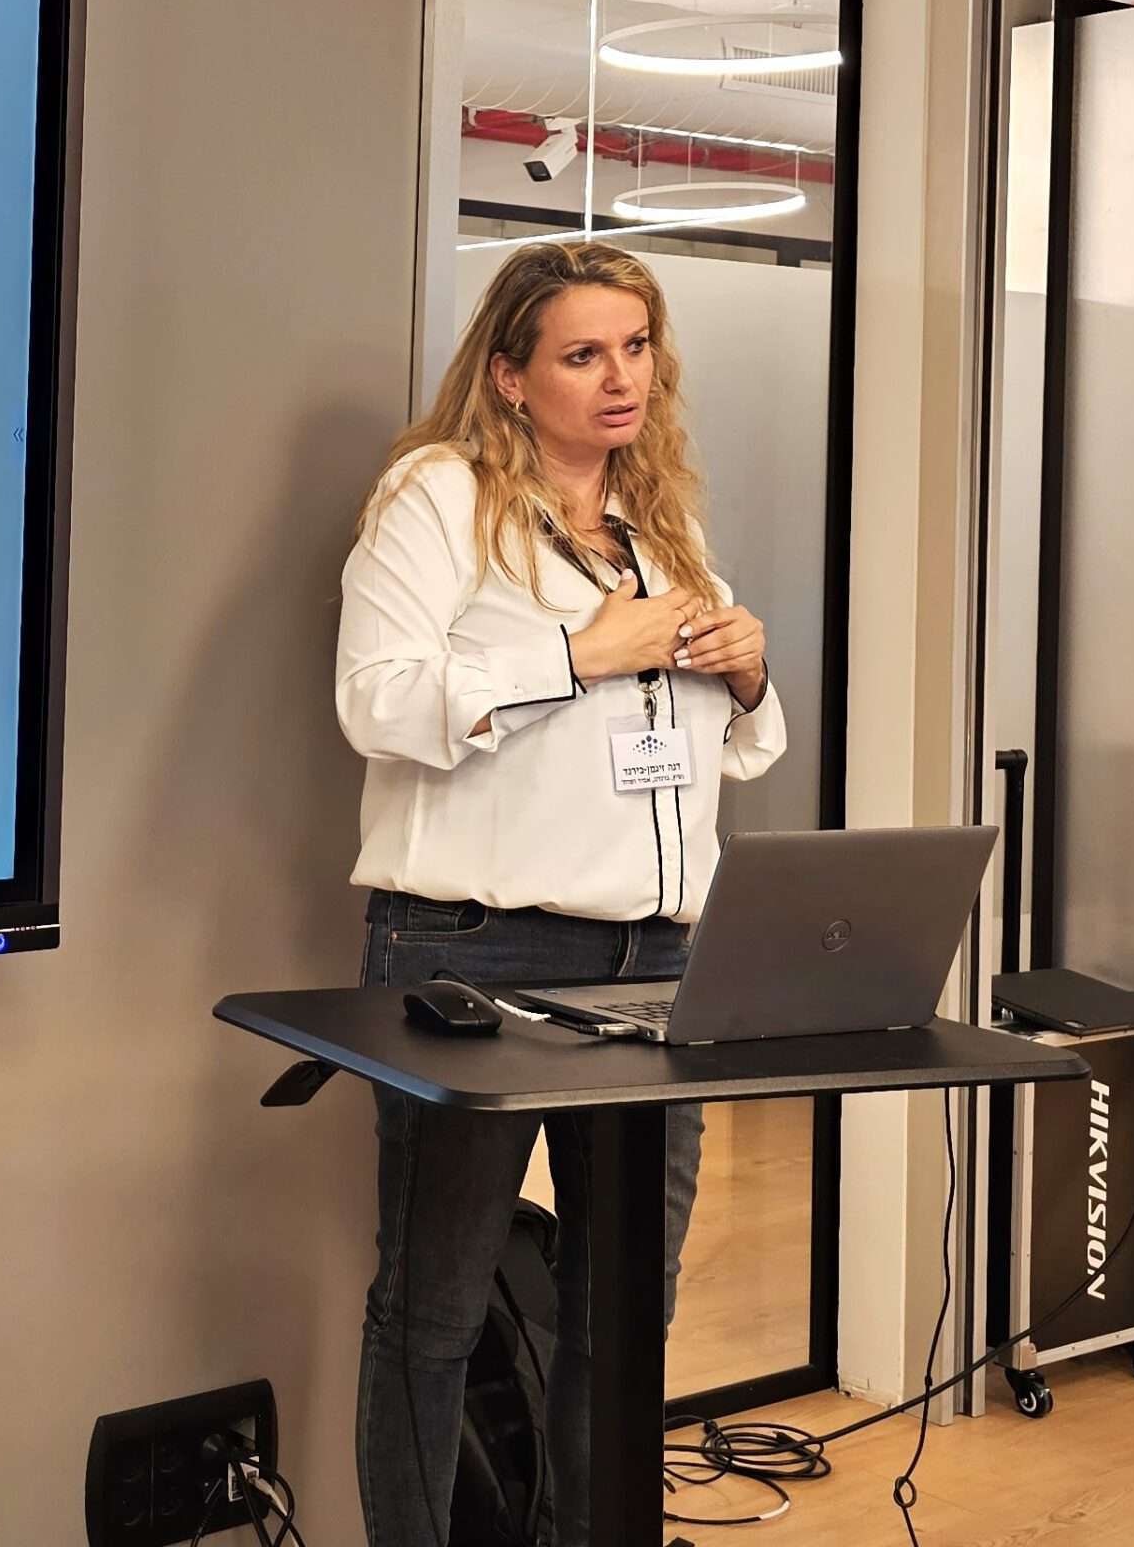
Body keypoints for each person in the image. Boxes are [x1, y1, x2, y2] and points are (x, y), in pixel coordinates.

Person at [334, 239, 785, 1546]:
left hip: (660, 959)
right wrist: (578, 654)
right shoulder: (437, 495)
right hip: (477, 955)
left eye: (635, 348)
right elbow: (377, 704)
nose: (620, 377)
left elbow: (732, 751)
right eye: (583, 354)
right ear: (512, 375)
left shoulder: (659, 526)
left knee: (625, 1309)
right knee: (434, 1309)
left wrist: (749, 675)